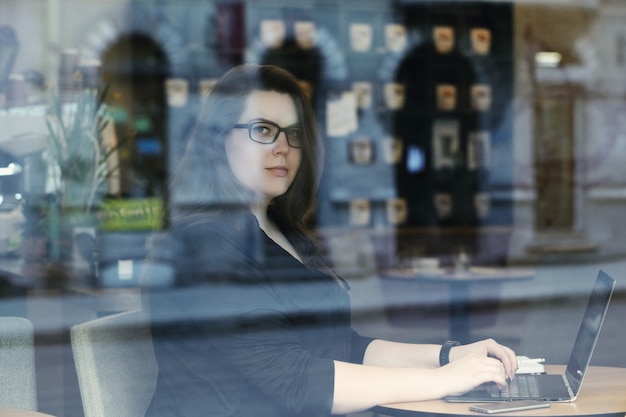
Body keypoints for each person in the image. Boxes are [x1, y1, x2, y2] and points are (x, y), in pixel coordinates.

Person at [142, 64, 518, 417]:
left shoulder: (281, 230)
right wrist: (445, 381)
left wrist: (448, 356)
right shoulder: (205, 243)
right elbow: (297, 382)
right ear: (217, 138)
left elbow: (344, 348)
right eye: (262, 130)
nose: (282, 147)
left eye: (292, 134)